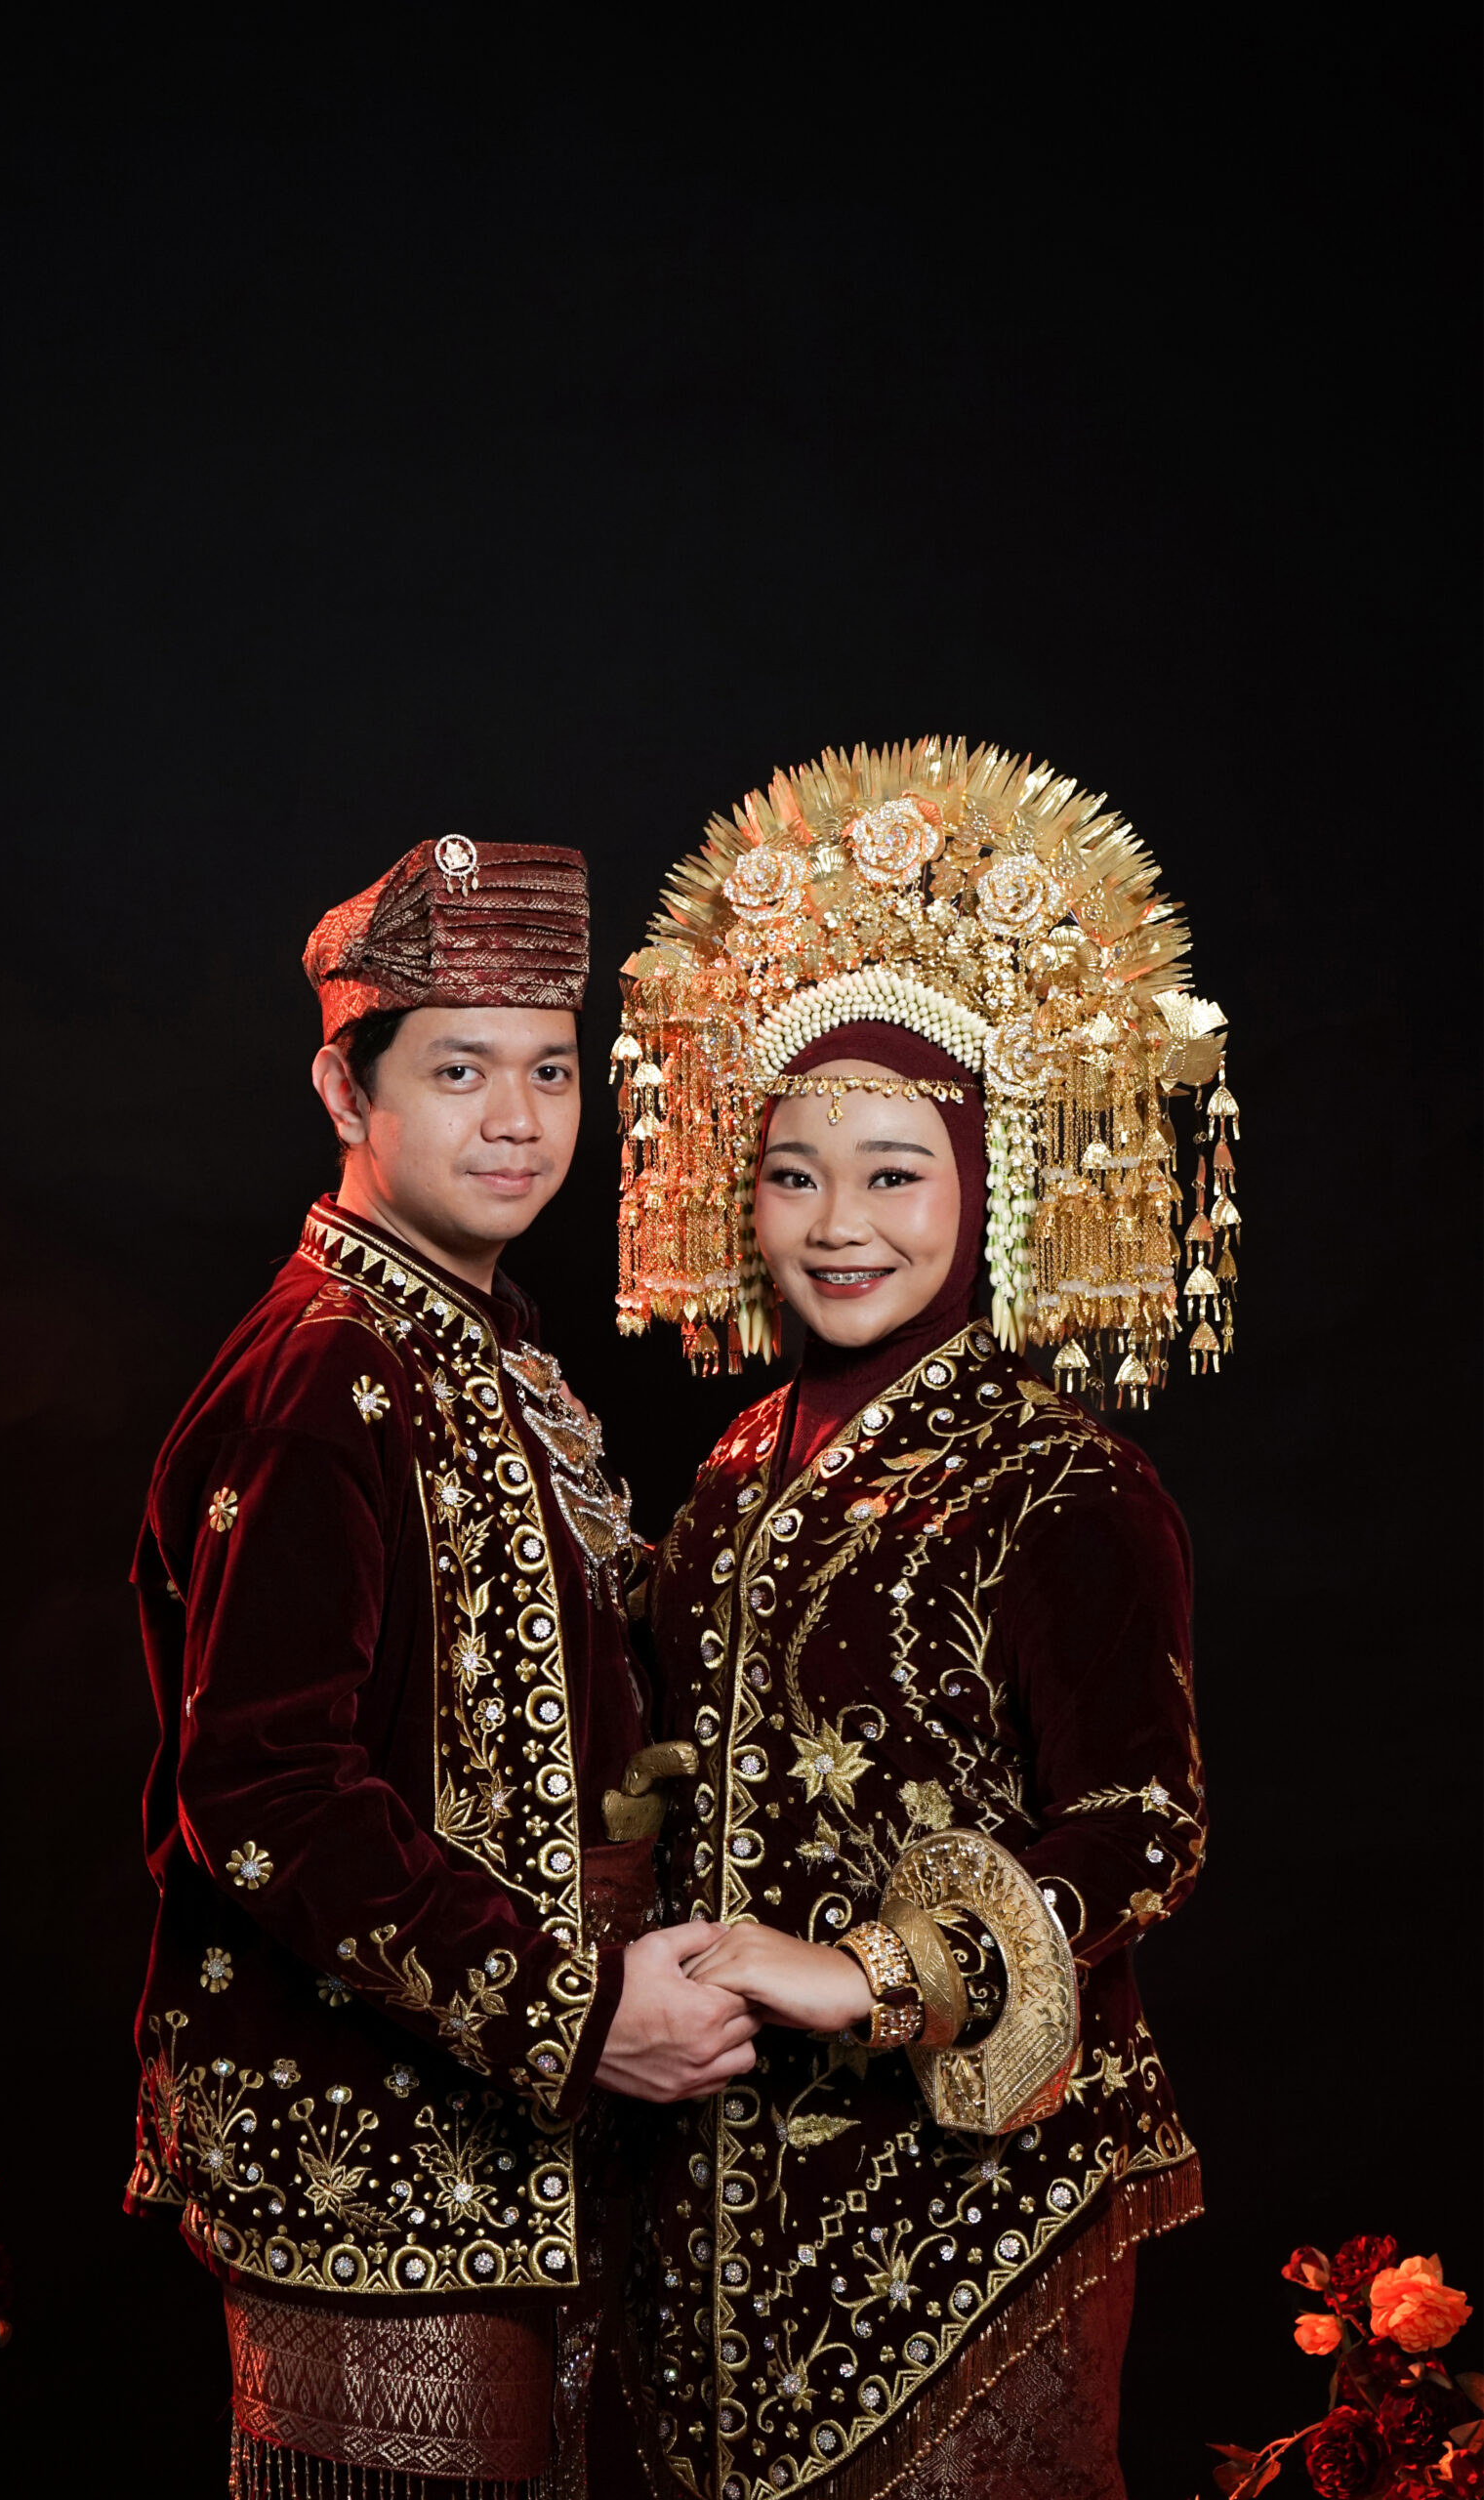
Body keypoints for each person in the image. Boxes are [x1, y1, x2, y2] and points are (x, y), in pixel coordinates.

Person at [611, 742, 1238, 2499]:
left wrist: (873, 1972)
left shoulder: (1061, 1484)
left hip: (974, 2209)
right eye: (791, 1174)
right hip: (707, 2202)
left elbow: (1143, 1825)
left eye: (892, 1173)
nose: (834, 1227)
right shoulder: (732, 1466)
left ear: (991, 1184)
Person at [124, 835, 758, 2500]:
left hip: (529, 2150)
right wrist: (577, 2010)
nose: (517, 1120)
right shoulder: (322, 1372)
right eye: (459, 1071)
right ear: (346, 1089)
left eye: (549, 1070)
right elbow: (259, 1792)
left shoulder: (479, 1338)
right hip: (379, 2162)